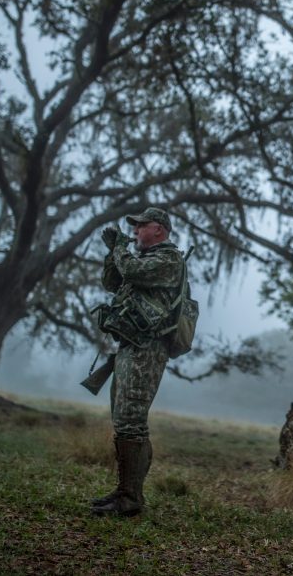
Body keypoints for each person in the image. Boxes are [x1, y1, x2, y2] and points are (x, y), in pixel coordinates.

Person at [91, 207, 184, 517]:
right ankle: (124, 491)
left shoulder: (169, 260)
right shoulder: (142, 258)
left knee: (131, 418)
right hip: (131, 345)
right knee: (123, 418)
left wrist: (119, 249)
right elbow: (112, 282)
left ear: (159, 229)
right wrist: (112, 254)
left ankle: (130, 498)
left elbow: (131, 273)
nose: (134, 231)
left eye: (141, 226)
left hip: (148, 349)